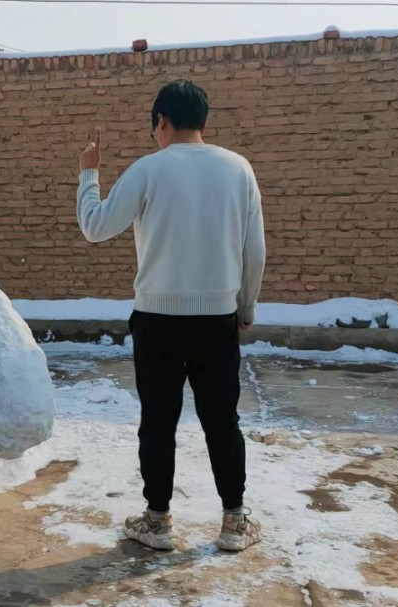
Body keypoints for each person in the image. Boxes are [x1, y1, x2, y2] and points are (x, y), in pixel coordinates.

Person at [76, 80, 266, 552]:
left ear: (161, 121)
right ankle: (234, 523)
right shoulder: (238, 169)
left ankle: (157, 521)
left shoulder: (148, 170)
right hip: (216, 317)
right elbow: (254, 251)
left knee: (158, 421)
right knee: (222, 420)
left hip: (157, 319)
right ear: (204, 121)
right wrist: (245, 307)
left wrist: (88, 174)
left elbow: (96, 227)